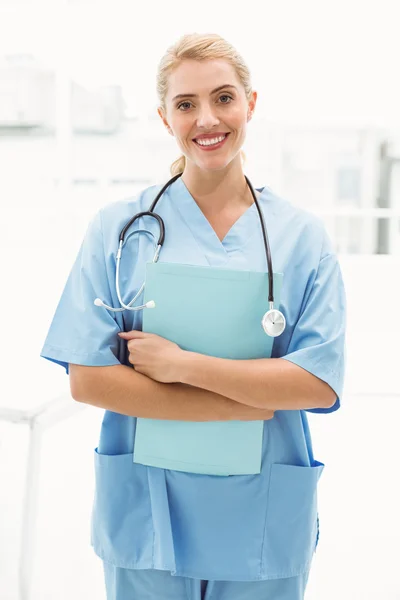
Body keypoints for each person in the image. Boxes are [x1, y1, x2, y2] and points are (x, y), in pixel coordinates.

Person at [40, 32, 346, 600]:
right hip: (148, 505)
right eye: (186, 104)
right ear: (165, 118)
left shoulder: (301, 237)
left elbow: (315, 382)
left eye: (224, 97)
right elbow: (86, 377)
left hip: (262, 510)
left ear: (250, 104)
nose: (207, 118)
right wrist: (242, 403)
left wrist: (181, 365)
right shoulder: (118, 228)